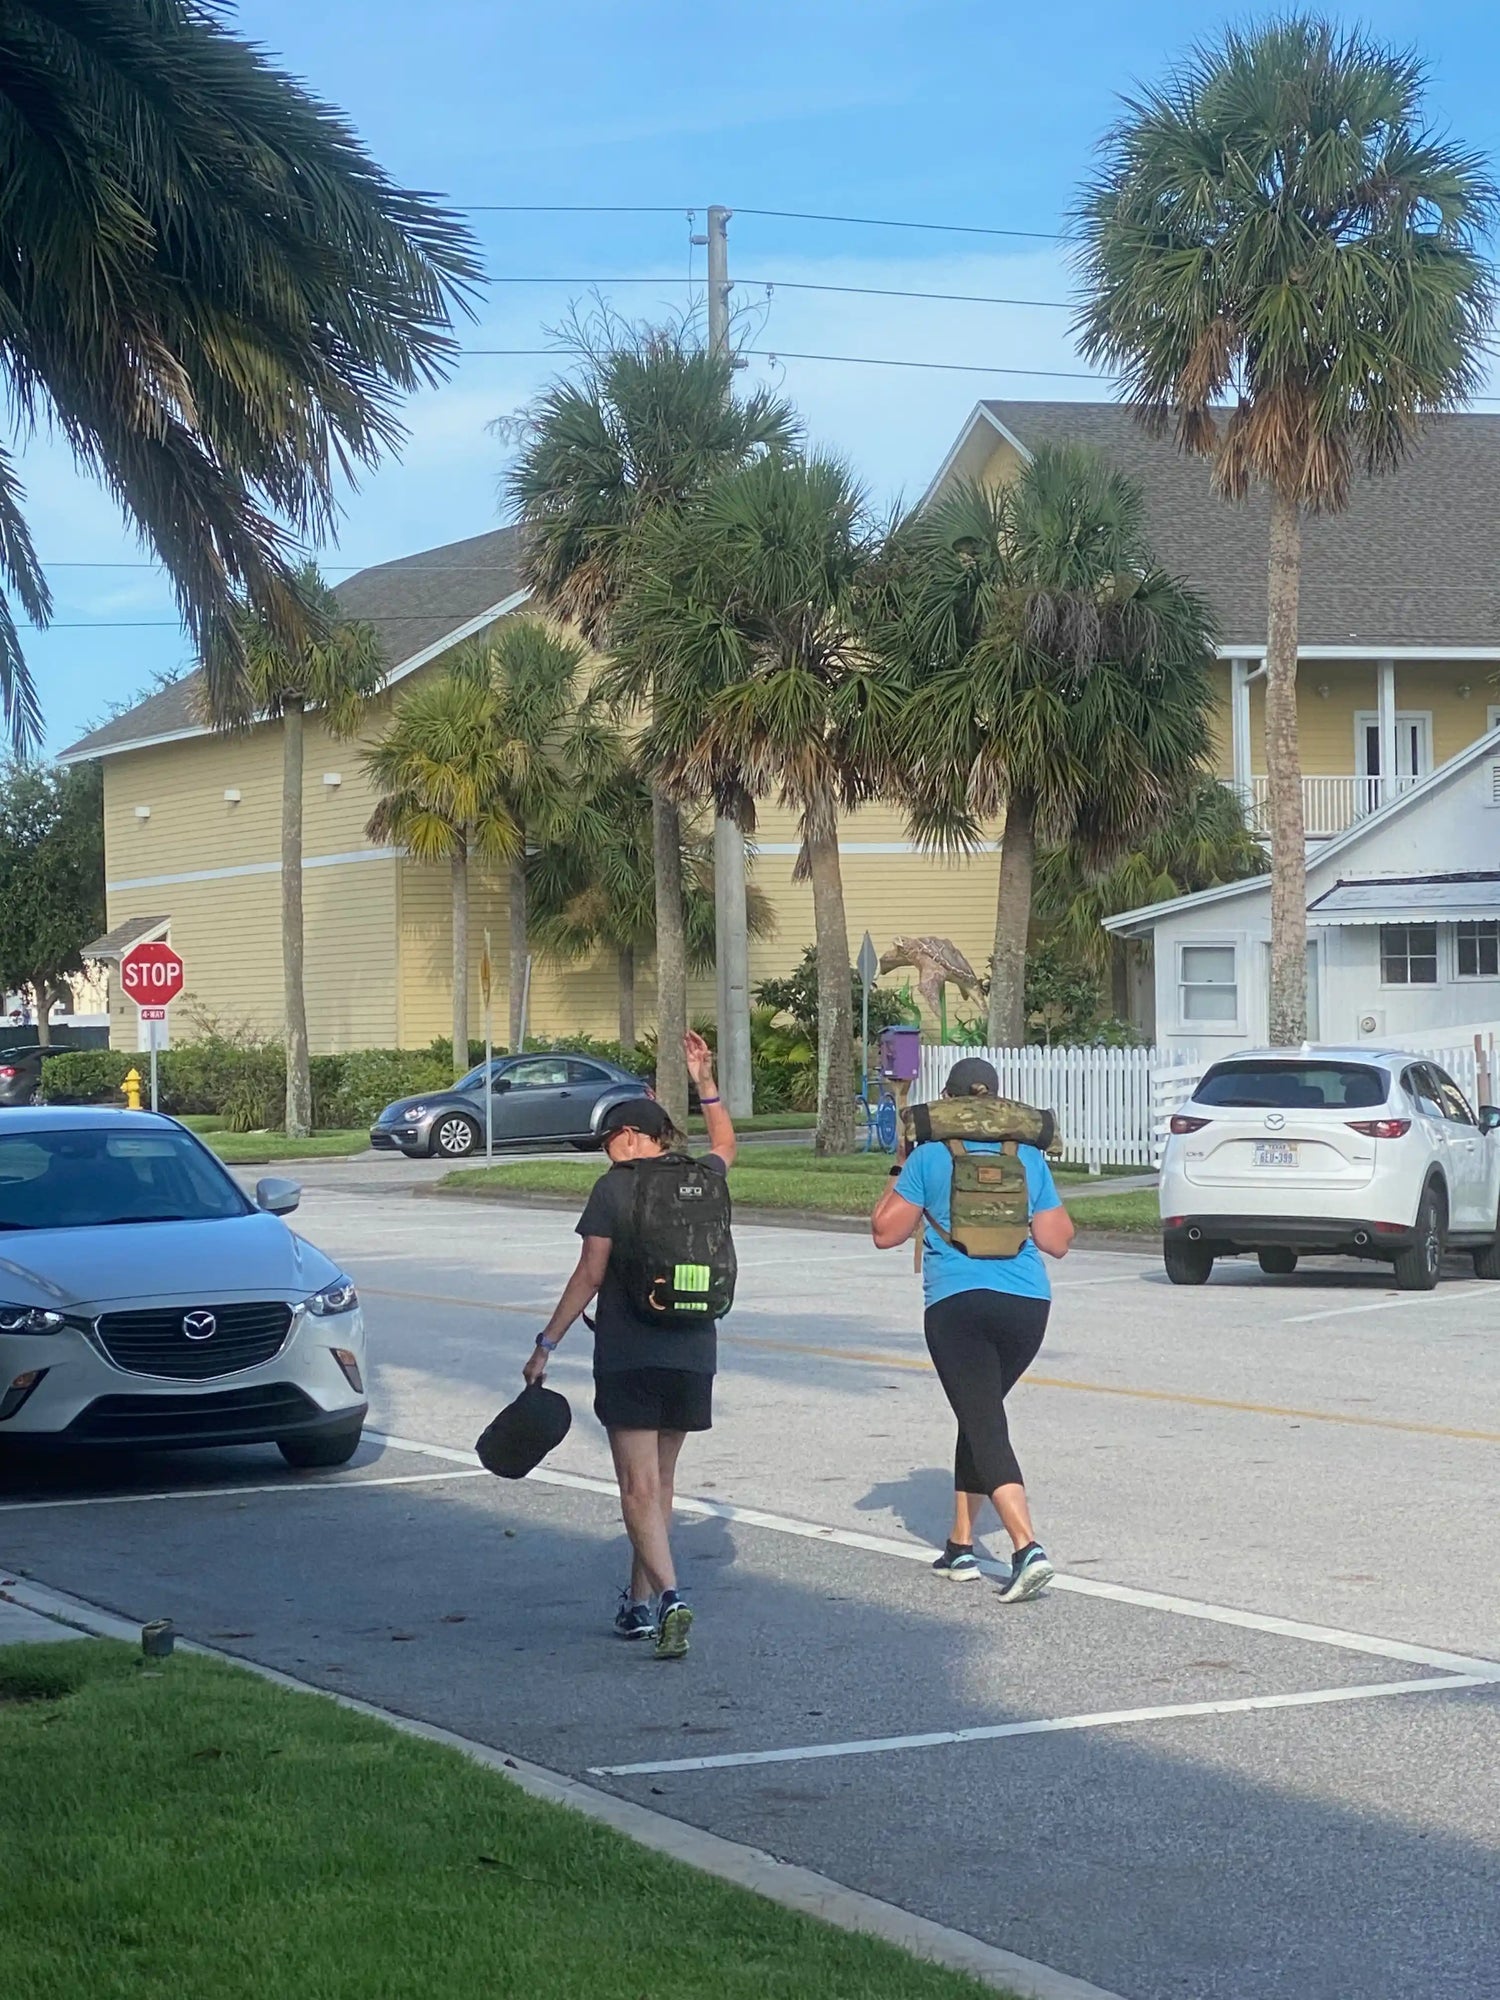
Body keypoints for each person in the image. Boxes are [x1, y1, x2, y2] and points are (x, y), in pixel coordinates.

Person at [524, 1030, 735, 1659]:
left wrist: (546, 1342)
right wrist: (705, 1082)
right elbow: (725, 1143)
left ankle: (670, 1597)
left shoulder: (615, 1188)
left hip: (631, 1355)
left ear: (639, 1138)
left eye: (617, 1138)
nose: (611, 1150)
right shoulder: (704, 1177)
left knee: (637, 1487)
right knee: (661, 1486)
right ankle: (638, 1606)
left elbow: (590, 1273)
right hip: (694, 1351)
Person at [870, 1056, 1074, 1602]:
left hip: (957, 1306)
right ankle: (961, 1545)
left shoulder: (930, 1155)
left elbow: (884, 1232)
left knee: (983, 1419)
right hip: (1027, 1306)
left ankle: (1026, 1546)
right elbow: (1058, 1239)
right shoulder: (1027, 1155)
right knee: (978, 1411)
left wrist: (900, 1166)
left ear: (948, 1100)